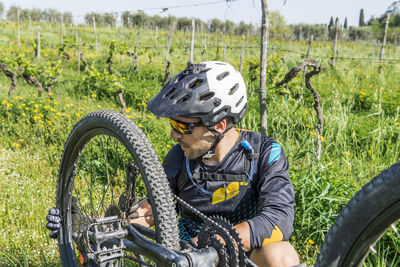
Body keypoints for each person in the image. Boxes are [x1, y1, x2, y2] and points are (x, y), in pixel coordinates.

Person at [47, 61, 300, 267]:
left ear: (219, 125)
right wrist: (87, 232)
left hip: (239, 257)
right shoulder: (180, 157)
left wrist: (215, 244)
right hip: (184, 257)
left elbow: (279, 220)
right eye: (172, 125)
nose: (173, 135)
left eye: (182, 126)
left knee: (282, 256)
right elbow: (149, 212)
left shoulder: (264, 153)